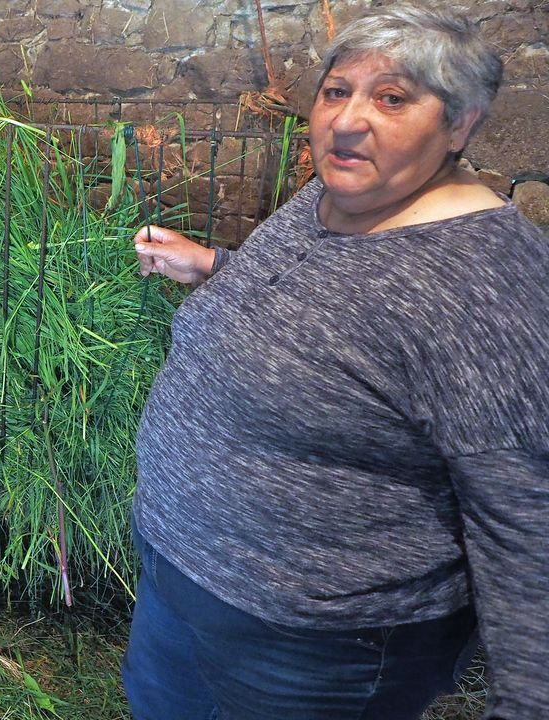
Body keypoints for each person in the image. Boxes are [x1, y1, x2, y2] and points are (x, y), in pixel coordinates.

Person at [121, 5, 548, 720]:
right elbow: (331, 326)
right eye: (336, 90)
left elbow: (528, 517)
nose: (347, 120)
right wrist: (215, 267)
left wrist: (528, 702)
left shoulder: (485, 284)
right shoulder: (337, 192)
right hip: (183, 580)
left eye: (392, 98)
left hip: (311, 649)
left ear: (461, 125)